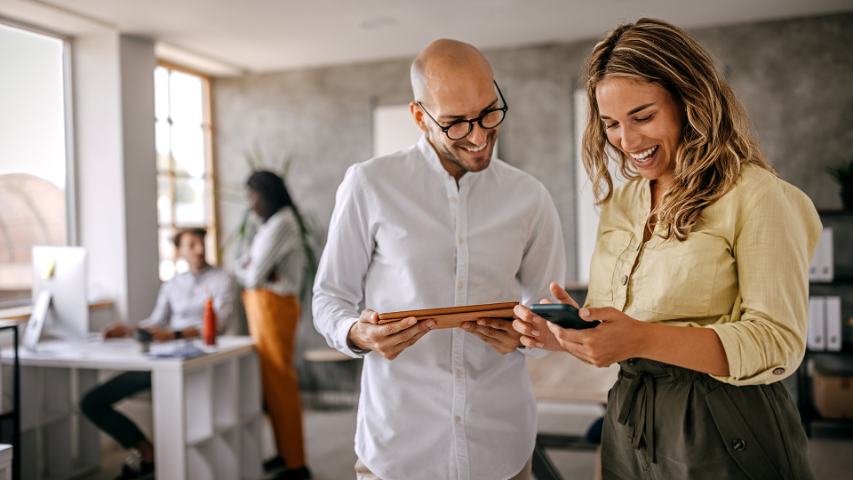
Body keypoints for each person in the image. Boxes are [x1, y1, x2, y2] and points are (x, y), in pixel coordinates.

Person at [513, 18, 820, 479]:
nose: (627, 141)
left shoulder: (757, 196)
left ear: (688, 101)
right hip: (630, 418)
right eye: (611, 124)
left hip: (725, 421)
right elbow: (624, 329)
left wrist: (640, 337)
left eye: (643, 116)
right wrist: (564, 336)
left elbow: (777, 342)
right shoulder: (622, 202)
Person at [313, 39, 567, 480]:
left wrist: (529, 336)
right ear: (419, 115)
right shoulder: (369, 185)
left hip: (502, 446)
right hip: (397, 447)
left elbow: (550, 314)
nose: (478, 135)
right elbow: (329, 297)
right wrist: (358, 333)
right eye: (454, 123)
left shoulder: (530, 198)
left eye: (489, 112)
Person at [81, 227, 236, 479]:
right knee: (92, 402)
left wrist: (173, 335)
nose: (199, 249)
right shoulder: (172, 284)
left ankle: (170, 465)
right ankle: (147, 451)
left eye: (201, 243)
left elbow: (218, 325)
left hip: (196, 361)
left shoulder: (222, 280)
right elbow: (156, 321)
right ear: (180, 251)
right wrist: (128, 329)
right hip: (163, 361)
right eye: (191, 245)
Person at [233, 170, 310, 480]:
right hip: (264, 306)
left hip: (274, 307)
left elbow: (250, 274)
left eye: (253, 196)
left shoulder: (281, 223)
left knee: (281, 382)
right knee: (272, 385)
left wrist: (250, 268)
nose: (251, 204)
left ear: (267, 194)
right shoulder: (269, 225)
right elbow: (246, 266)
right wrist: (250, 267)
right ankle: (285, 454)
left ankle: (296, 464)